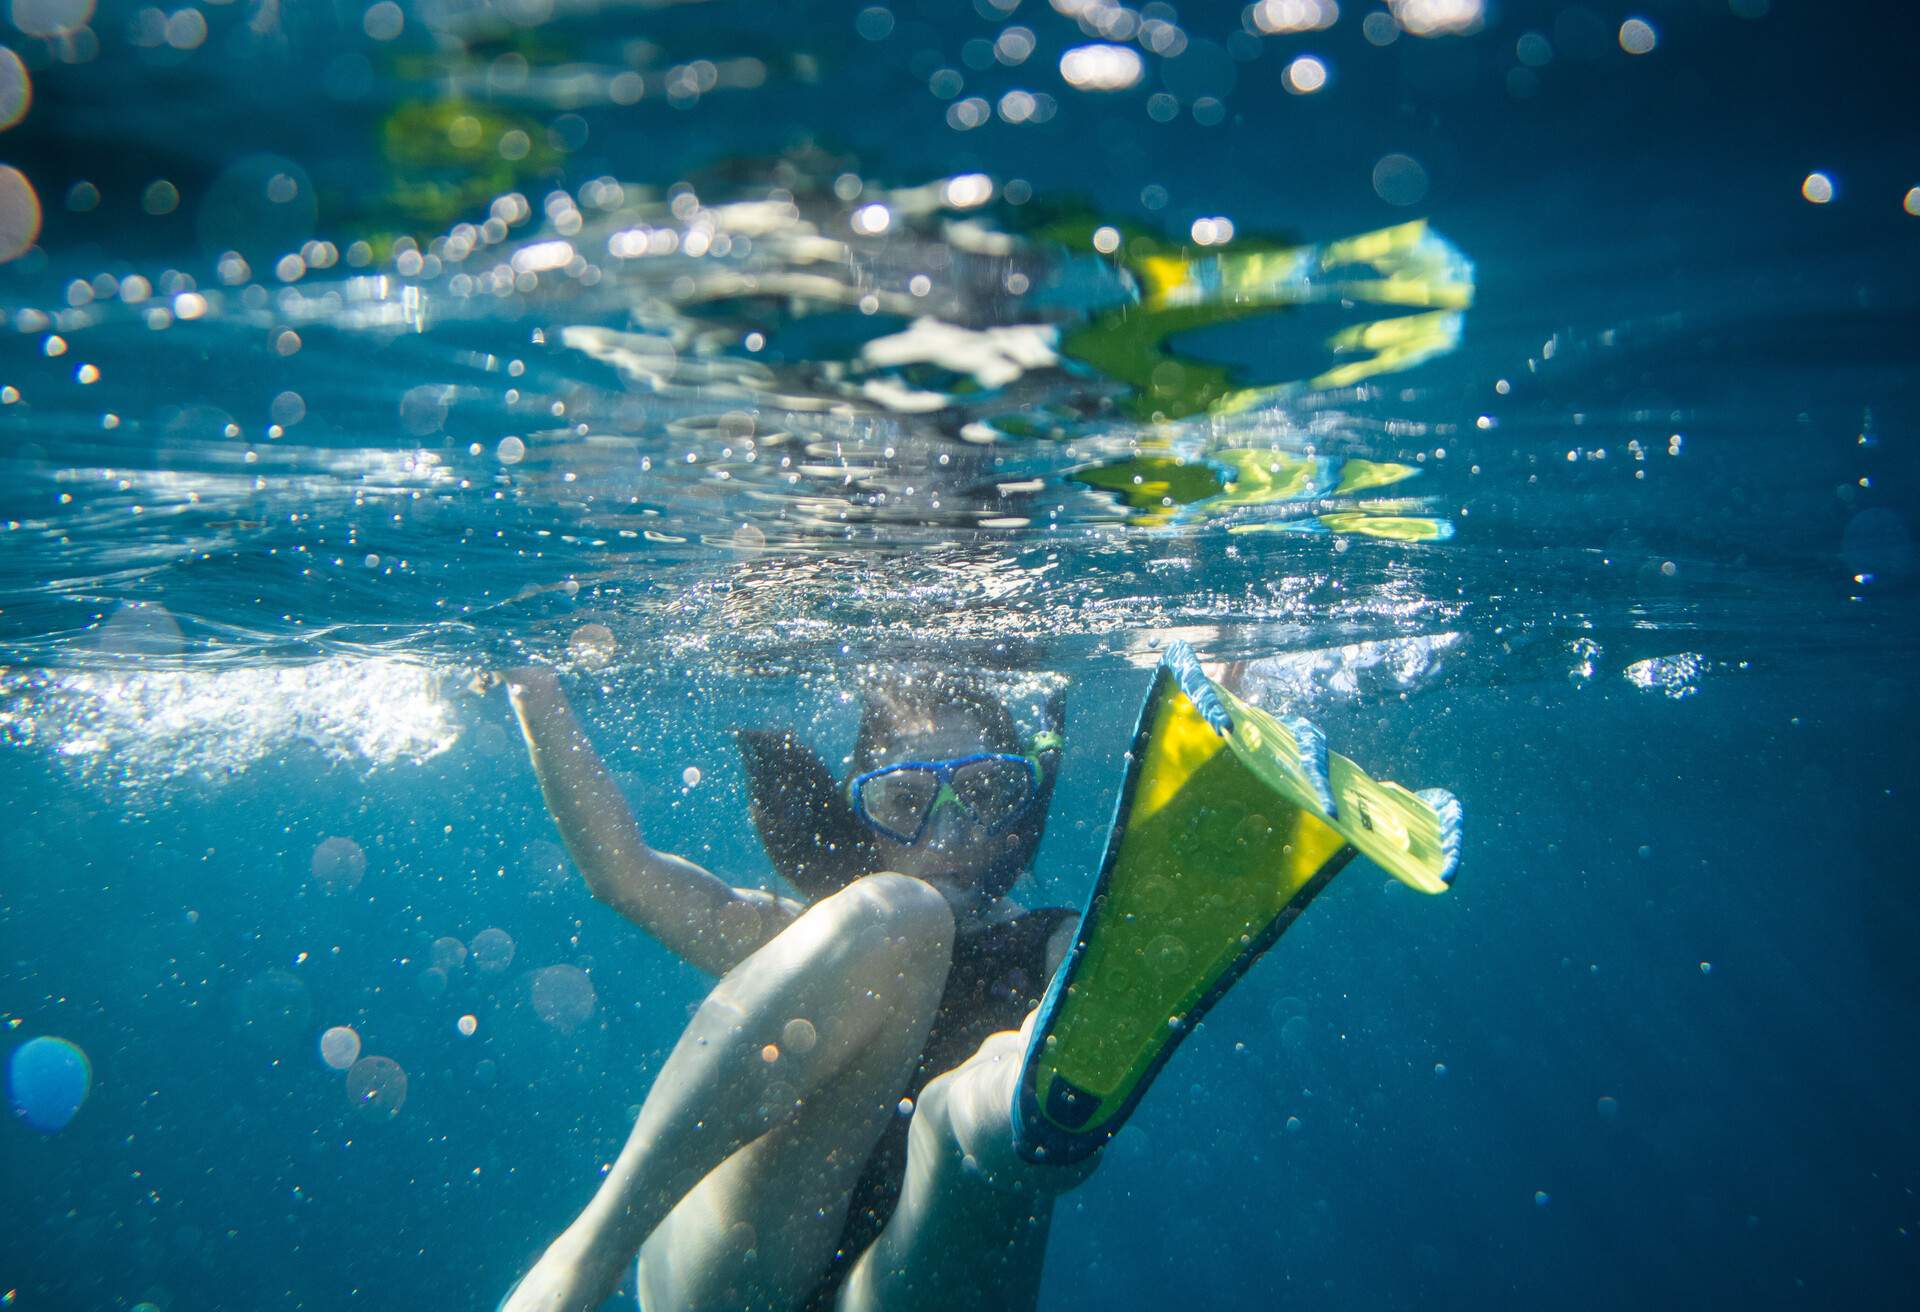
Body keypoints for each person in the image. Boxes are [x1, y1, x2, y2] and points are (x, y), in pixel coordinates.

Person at [496, 663, 1093, 1312]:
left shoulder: (1053, 945)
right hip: (736, 1280)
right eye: (904, 801)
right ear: (858, 814)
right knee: (901, 917)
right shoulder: (805, 936)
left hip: (913, 1289)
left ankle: (1012, 1106)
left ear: (1017, 802)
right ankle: (588, 1253)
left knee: (972, 1109)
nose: (948, 834)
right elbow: (623, 874)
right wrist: (536, 690)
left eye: (981, 791)